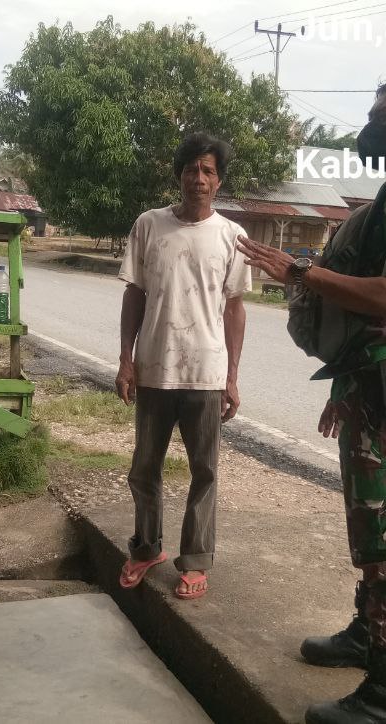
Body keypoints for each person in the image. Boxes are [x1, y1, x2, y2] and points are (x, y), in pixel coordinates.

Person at [238, 76, 386, 724]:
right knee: (373, 520)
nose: (370, 126)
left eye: (382, 116)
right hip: (378, 375)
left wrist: (299, 271)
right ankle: (371, 634)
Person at [114, 132, 251, 601]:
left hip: (207, 374)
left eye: (208, 171)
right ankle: (146, 547)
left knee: (205, 472)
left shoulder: (233, 237)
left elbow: (234, 309)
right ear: (179, 175)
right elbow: (134, 294)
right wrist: (125, 360)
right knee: (143, 469)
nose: (198, 178)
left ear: (219, 181)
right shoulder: (149, 225)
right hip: (154, 368)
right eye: (191, 169)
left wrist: (232, 377)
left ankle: (194, 559)